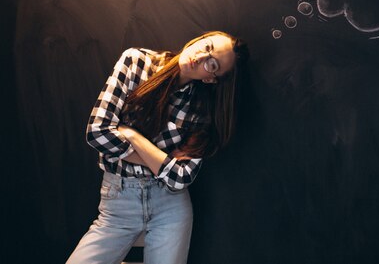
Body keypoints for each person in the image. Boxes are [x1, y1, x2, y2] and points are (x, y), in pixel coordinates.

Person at [67, 31, 248, 264]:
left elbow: (179, 179)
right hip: (118, 202)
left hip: (170, 208)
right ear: (200, 39)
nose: (201, 56)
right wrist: (161, 161)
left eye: (211, 64)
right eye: (207, 45)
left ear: (211, 79)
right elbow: (97, 133)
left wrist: (132, 135)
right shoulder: (136, 62)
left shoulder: (203, 109)